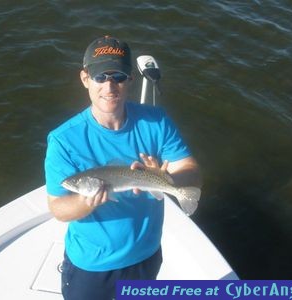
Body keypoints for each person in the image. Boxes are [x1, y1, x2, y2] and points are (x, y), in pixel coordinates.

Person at [44, 36, 202, 300]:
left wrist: (167, 178)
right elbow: (58, 208)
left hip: (146, 256)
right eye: (99, 77)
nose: (109, 86)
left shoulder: (157, 121)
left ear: (130, 79)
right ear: (85, 78)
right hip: (92, 266)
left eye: (117, 76)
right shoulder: (63, 140)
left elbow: (190, 169)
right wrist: (87, 202)